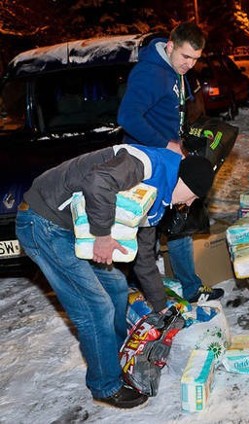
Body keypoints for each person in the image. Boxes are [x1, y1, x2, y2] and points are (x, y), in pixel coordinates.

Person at [15, 144, 214, 408]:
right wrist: (103, 236)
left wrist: (162, 308)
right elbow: (98, 182)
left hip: (68, 227)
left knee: (117, 286)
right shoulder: (145, 165)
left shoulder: (158, 195)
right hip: (43, 221)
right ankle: (105, 385)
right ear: (183, 181)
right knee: (96, 308)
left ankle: (115, 354)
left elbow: (144, 258)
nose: (189, 203)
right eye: (192, 196)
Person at [118, 21, 222, 304]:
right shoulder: (151, 73)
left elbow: (174, 111)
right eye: (185, 57)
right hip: (145, 163)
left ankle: (190, 288)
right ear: (170, 46)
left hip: (166, 157)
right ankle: (143, 295)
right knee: (146, 232)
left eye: (195, 59)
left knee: (179, 221)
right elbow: (127, 117)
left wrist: (181, 142)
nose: (189, 64)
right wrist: (165, 143)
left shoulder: (175, 70)